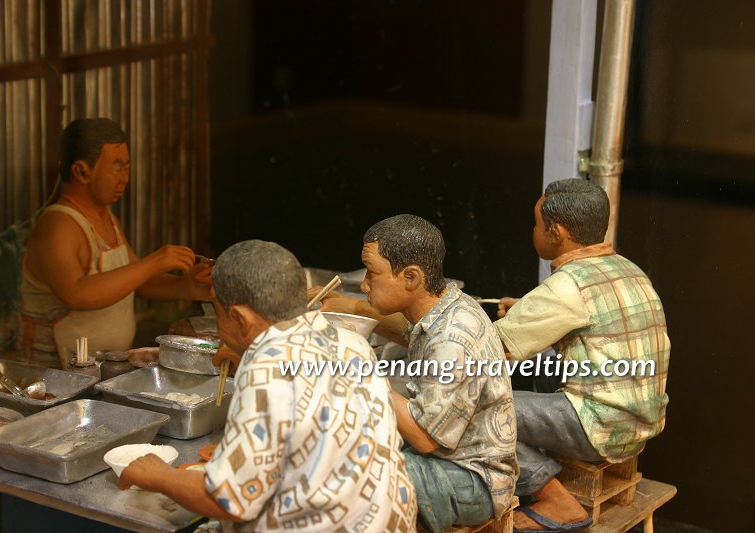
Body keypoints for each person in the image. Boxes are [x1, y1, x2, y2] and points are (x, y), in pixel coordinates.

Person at [120, 240, 417, 532]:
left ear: (238, 317)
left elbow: (229, 499)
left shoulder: (266, 372)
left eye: (218, 312)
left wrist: (158, 476)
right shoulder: (352, 343)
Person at [315, 215, 518, 533]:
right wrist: (352, 307)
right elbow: (410, 331)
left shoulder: (452, 338)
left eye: (372, 274)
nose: (366, 285)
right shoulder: (447, 305)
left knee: (346, 470)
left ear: (410, 277)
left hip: (473, 478)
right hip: (453, 459)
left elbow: (425, 439)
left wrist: (361, 370)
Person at [494, 178, 670, 532]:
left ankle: (557, 501)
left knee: (482, 407)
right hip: (643, 422)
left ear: (556, 232)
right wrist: (528, 311)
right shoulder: (630, 270)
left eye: (537, 224)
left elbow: (490, 350)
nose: (536, 231)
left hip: (601, 426)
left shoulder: (567, 286)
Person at [21, 118, 212, 368]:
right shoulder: (58, 225)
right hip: (57, 374)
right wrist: (155, 262)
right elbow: (77, 294)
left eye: (127, 168)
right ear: (81, 171)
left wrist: (185, 286)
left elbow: (139, 283)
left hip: (107, 365)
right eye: (116, 168)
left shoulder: (106, 216)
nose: (123, 178)